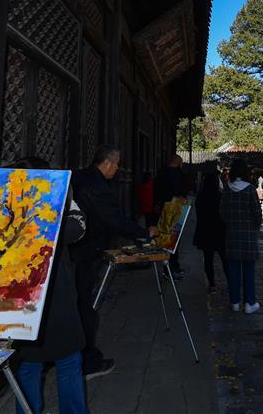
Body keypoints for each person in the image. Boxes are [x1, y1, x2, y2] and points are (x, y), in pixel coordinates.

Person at [10, 157, 88, 414]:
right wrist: (70, 197)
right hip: (56, 299)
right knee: (68, 361)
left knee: (28, 367)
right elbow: (77, 228)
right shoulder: (50, 217)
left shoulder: (6, 217)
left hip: (20, 302)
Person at [71, 145, 155, 379]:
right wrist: (143, 234)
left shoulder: (78, 176)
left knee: (75, 303)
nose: (117, 169)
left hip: (70, 251)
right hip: (84, 252)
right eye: (116, 164)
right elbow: (114, 218)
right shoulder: (96, 185)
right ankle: (87, 359)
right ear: (107, 162)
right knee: (84, 306)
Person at [220, 159, 262, 313]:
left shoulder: (226, 189)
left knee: (233, 270)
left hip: (231, 234)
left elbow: (222, 212)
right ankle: (250, 303)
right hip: (248, 234)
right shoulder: (250, 189)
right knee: (249, 270)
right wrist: (255, 227)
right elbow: (257, 213)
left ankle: (235, 302)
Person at [194, 169, 228, 293]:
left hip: (205, 231)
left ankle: (212, 284)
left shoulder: (200, 197)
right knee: (225, 259)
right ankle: (230, 281)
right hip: (220, 231)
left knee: (208, 260)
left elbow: (198, 215)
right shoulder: (221, 196)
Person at [155, 154, 186, 278]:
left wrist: (157, 204)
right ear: (177, 162)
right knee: (173, 240)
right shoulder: (175, 174)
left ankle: (168, 267)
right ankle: (171, 268)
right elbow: (179, 191)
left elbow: (156, 190)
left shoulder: (160, 172)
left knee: (166, 238)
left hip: (163, 208)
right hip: (173, 209)